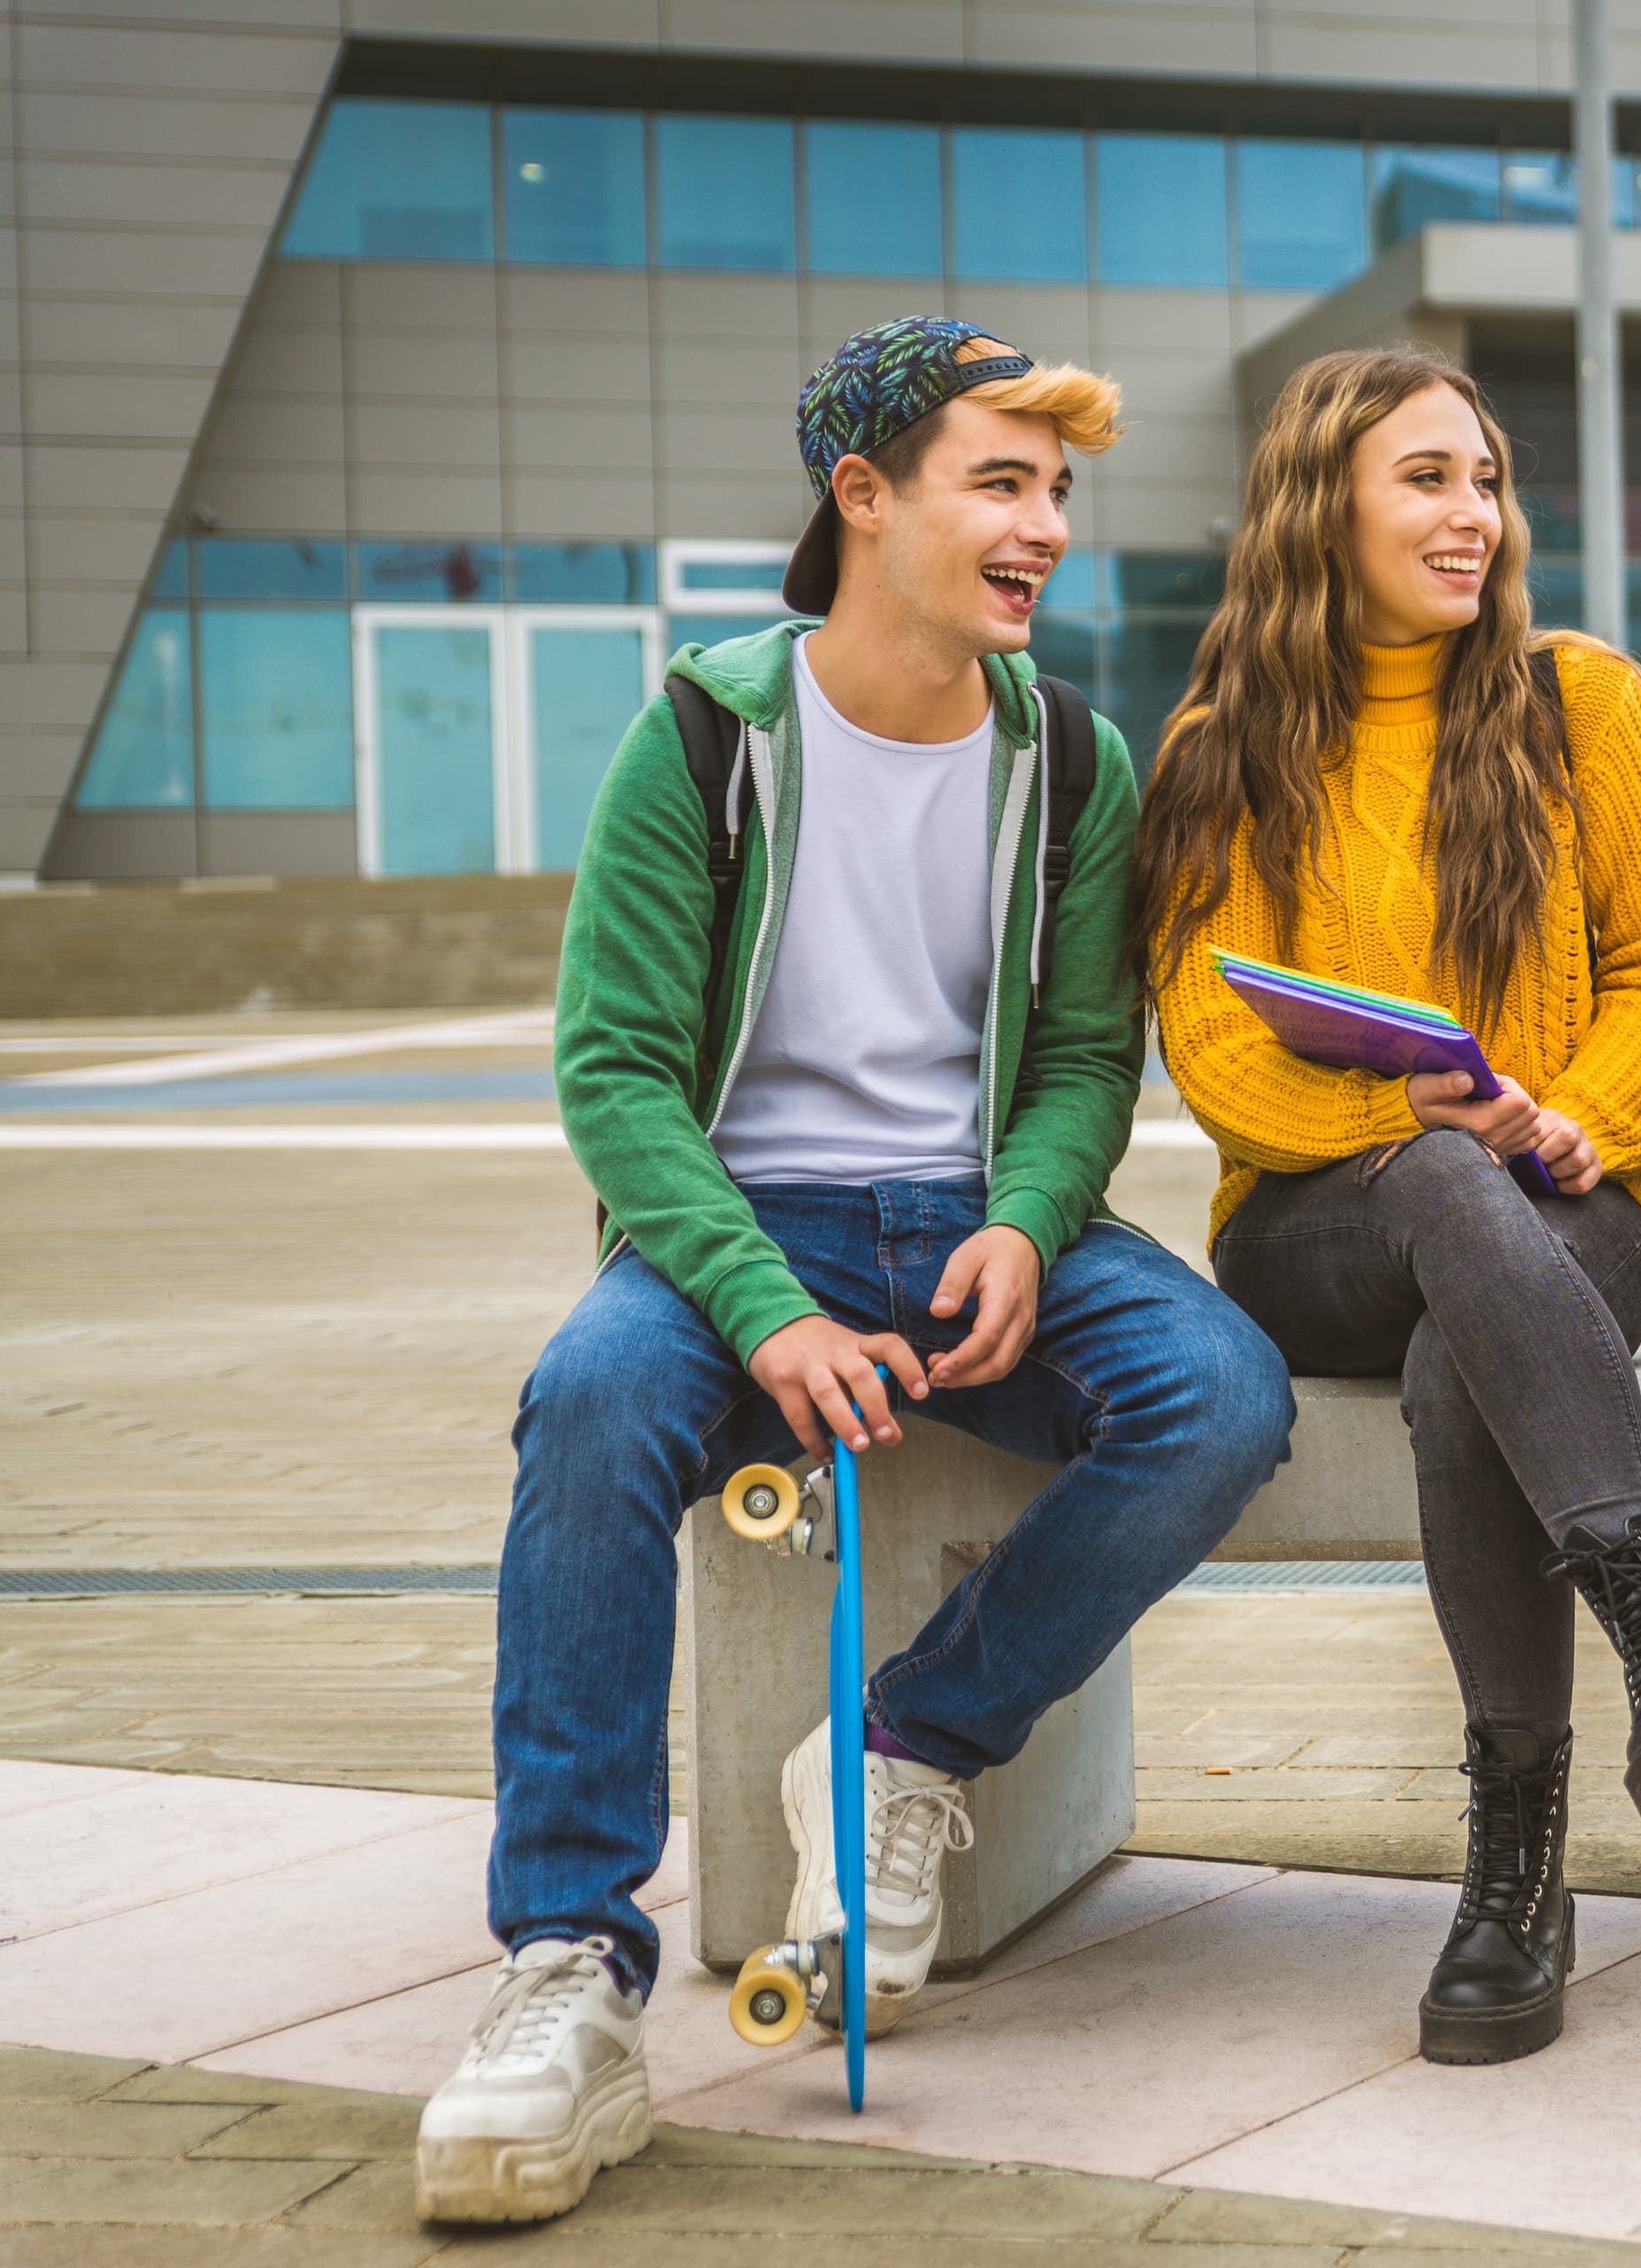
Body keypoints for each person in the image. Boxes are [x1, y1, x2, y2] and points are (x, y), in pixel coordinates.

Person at [413, 319, 1296, 2226]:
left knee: (1222, 1393)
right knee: (586, 1400)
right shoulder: (708, 735)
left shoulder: (1073, 756)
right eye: (1002, 478)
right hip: (745, 1227)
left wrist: (1026, 1218)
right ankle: (566, 1963)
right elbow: (615, 1073)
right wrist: (766, 1311)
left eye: (1058, 488)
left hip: (969, 1221)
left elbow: (1080, 1062)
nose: (1044, 523)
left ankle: (900, 1744)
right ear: (864, 496)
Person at [1137, 346, 1641, 2069]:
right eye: (1427, 477)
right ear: (1319, 502)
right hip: (1317, 1228)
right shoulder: (1228, 749)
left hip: (1561, 1209)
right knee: (1426, 1172)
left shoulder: (1583, 703)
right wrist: (1387, 1110)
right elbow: (1203, 1031)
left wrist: (1577, 1116)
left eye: (1485, 479)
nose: (1471, 512)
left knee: (1455, 1374)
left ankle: (1516, 1876)